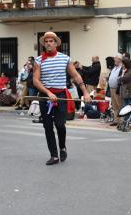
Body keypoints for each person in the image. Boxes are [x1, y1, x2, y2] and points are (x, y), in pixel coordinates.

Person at [33, 32, 91, 165]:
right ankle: (54, 155)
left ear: (56, 43)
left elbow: (76, 76)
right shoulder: (38, 60)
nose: (48, 43)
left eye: (51, 41)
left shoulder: (65, 58)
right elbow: (36, 81)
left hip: (60, 96)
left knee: (60, 125)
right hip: (45, 97)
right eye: (46, 41)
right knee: (47, 126)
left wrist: (85, 93)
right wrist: (48, 93)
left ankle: (62, 147)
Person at [107, 55, 124, 126]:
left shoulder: (122, 68)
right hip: (112, 88)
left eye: (115, 60)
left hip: (117, 88)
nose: (114, 61)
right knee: (114, 105)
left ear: (119, 60)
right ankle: (116, 120)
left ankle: (121, 120)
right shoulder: (114, 68)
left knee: (119, 104)